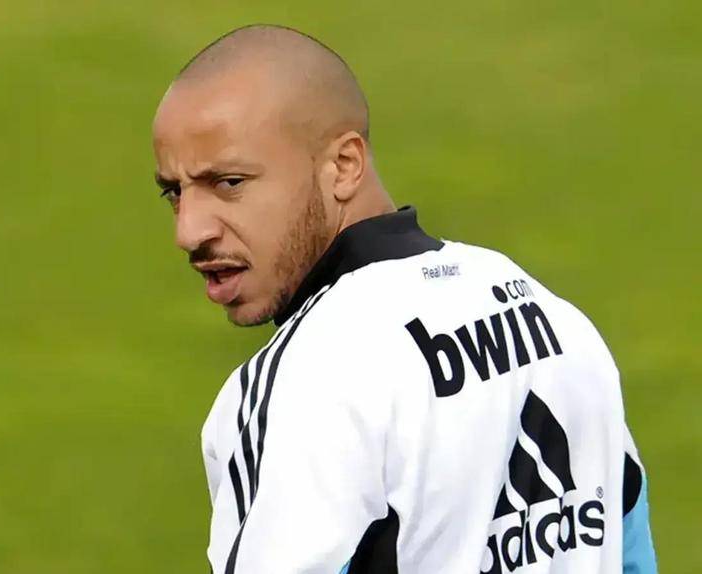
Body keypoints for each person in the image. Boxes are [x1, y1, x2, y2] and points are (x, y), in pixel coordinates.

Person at [150, 24, 657, 573]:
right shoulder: (552, 319)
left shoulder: (308, 383)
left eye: (229, 183)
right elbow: (628, 552)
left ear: (344, 166)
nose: (189, 231)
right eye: (174, 192)